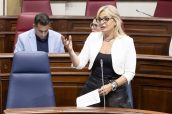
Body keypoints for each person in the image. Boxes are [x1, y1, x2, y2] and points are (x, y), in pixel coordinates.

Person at [62, 5, 136, 108]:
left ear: (115, 21)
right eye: (99, 19)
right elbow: (79, 64)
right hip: (93, 88)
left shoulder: (127, 41)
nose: (101, 22)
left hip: (116, 91)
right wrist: (70, 51)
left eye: (106, 19)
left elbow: (130, 73)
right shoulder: (93, 37)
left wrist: (111, 86)